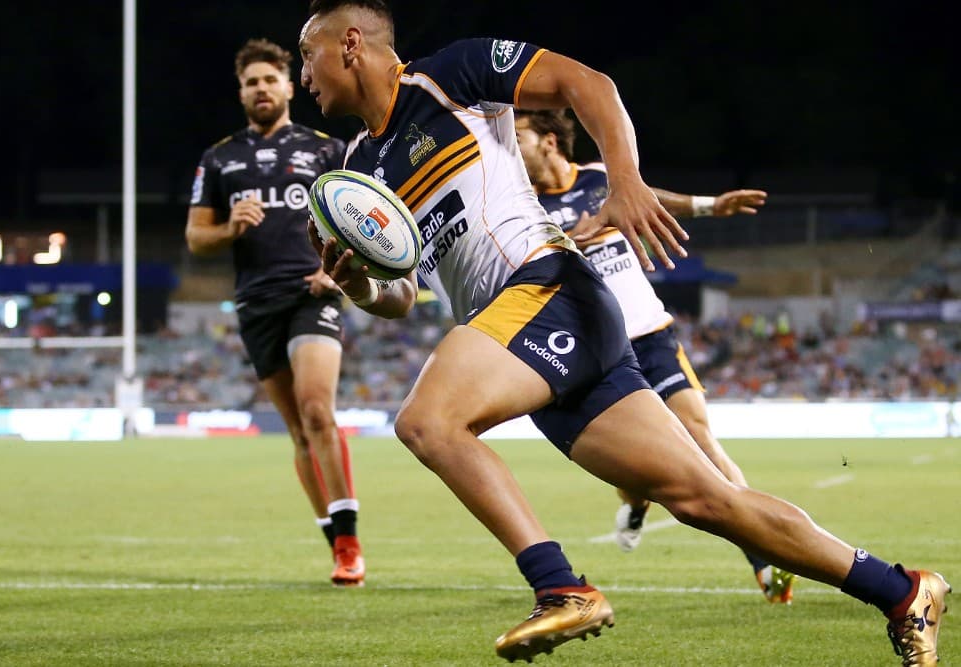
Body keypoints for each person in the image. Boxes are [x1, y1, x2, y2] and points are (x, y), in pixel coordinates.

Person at [298, 2, 950, 663]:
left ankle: (560, 587)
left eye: (306, 56)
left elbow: (591, 84)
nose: (303, 77)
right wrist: (357, 287)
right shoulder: (362, 166)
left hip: (547, 290)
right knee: (707, 500)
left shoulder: (449, 75)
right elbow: (403, 295)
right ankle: (903, 591)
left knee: (427, 421)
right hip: (527, 328)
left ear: (350, 44)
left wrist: (627, 181)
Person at [514, 108, 796, 604]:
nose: (511, 149)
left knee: (699, 437)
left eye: (519, 137)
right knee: (634, 471)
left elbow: (650, 199)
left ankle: (763, 560)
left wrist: (712, 207)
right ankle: (636, 503)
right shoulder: (524, 210)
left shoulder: (600, 178)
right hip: (596, 349)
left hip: (648, 334)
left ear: (551, 141)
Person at [186, 38, 365, 587]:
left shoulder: (326, 150)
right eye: (250, 82)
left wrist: (334, 268)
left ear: (289, 86)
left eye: (270, 79)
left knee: (317, 410)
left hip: (313, 293)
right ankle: (335, 543)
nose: (261, 89)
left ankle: (352, 542)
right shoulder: (219, 159)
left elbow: (363, 216)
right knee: (297, 431)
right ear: (241, 93)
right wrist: (229, 228)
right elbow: (196, 237)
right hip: (255, 303)